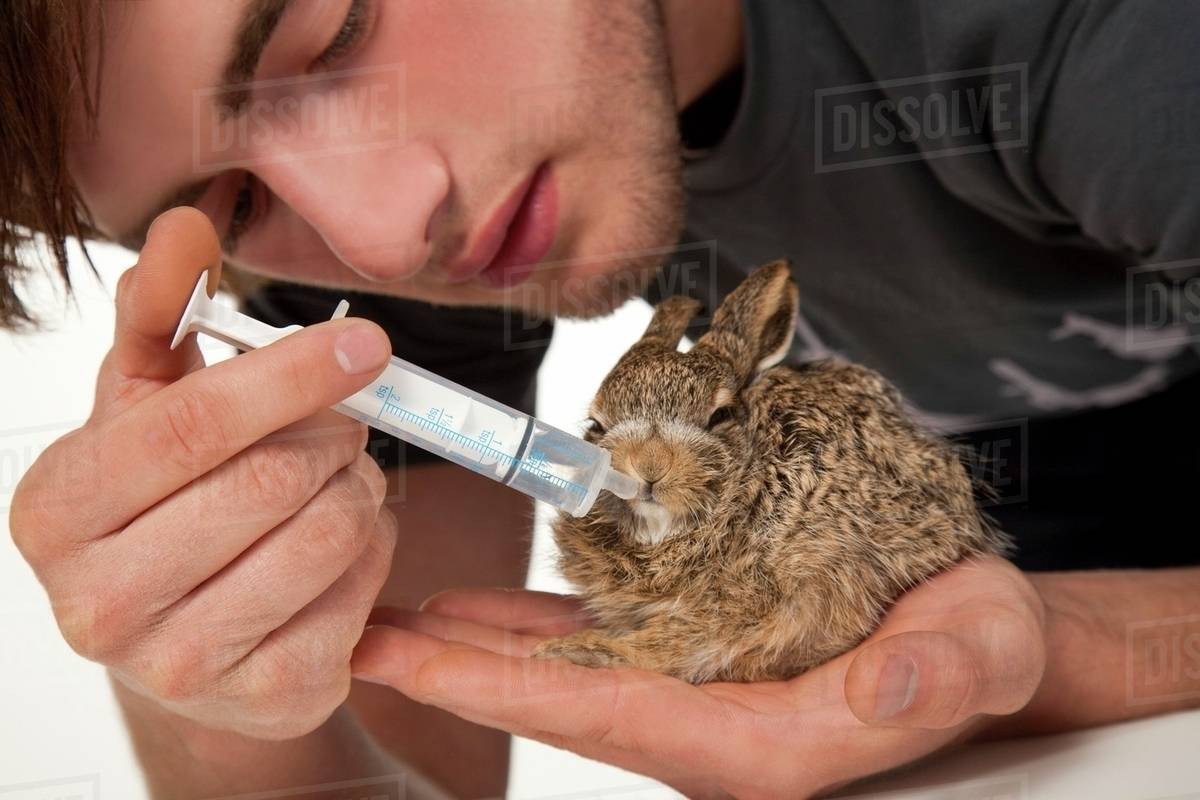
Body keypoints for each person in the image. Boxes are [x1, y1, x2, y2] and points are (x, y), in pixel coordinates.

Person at [5, 1, 1199, 797]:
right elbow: (420, 774)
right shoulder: (376, 265)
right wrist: (205, 677)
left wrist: (1043, 654)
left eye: (339, 29)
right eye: (238, 203)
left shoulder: (1105, 45)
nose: (380, 235)